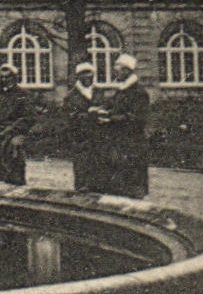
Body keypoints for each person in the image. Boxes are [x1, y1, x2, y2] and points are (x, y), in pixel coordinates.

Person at [100, 53, 151, 198]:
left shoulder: (138, 93)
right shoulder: (121, 91)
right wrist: (104, 110)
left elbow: (137, 119)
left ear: (127, 71)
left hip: (133, 142)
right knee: (121, 177)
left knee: (133, 178)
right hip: (120, 141)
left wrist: (111, 119)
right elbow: (114, 107)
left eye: (119, 67)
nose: (116, 70)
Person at [63, 62, 111, 193]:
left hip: (99, 136)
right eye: (83, 74)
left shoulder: (99, 92)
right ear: (78, 76)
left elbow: (105, 107)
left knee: (99, 167)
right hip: (81, 137)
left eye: (89, 74)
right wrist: (89, 114)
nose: (87, 77)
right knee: (82, 167)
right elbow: (70, 117)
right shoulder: (71, 96)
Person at [0, 65, 34, 186]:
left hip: (15, 132)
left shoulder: (23, 95)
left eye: (8, 77)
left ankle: (16, 182)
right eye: (2, 77)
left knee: (14, 148)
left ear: (14, 78)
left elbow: (28, 117)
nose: (5, 80)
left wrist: (11, 129)